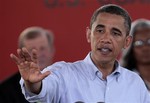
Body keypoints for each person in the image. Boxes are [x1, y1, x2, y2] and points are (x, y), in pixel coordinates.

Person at [10, 4, 150, 103]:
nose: (106, 38)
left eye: (115, 33)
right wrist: (32, 84)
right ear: (89, 35)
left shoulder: (135, 83)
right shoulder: (63, 73)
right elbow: (40, 92)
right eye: (100, 30)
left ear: (127, 42)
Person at [0, 26, 55, 103]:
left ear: (52, 50)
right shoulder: (5, 90)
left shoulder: (66, 81)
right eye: (32, 50)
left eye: (42, 48)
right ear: (22, 54)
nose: (38, 54)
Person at [121, 19, 150, 93]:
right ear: (130, 48)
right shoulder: (122, 81)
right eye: (138, 43)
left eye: (149, 41)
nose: (145, 48)